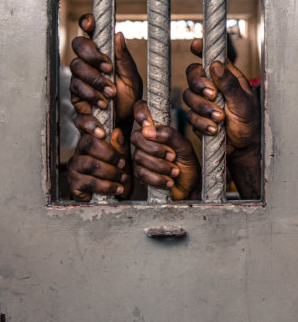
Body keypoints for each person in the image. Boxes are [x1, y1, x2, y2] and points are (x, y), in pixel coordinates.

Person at [64, 13, 261, 201]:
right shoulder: (208, 112)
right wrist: (112, 122)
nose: (217, 79)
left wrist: (243, 152)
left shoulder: (253, 102)